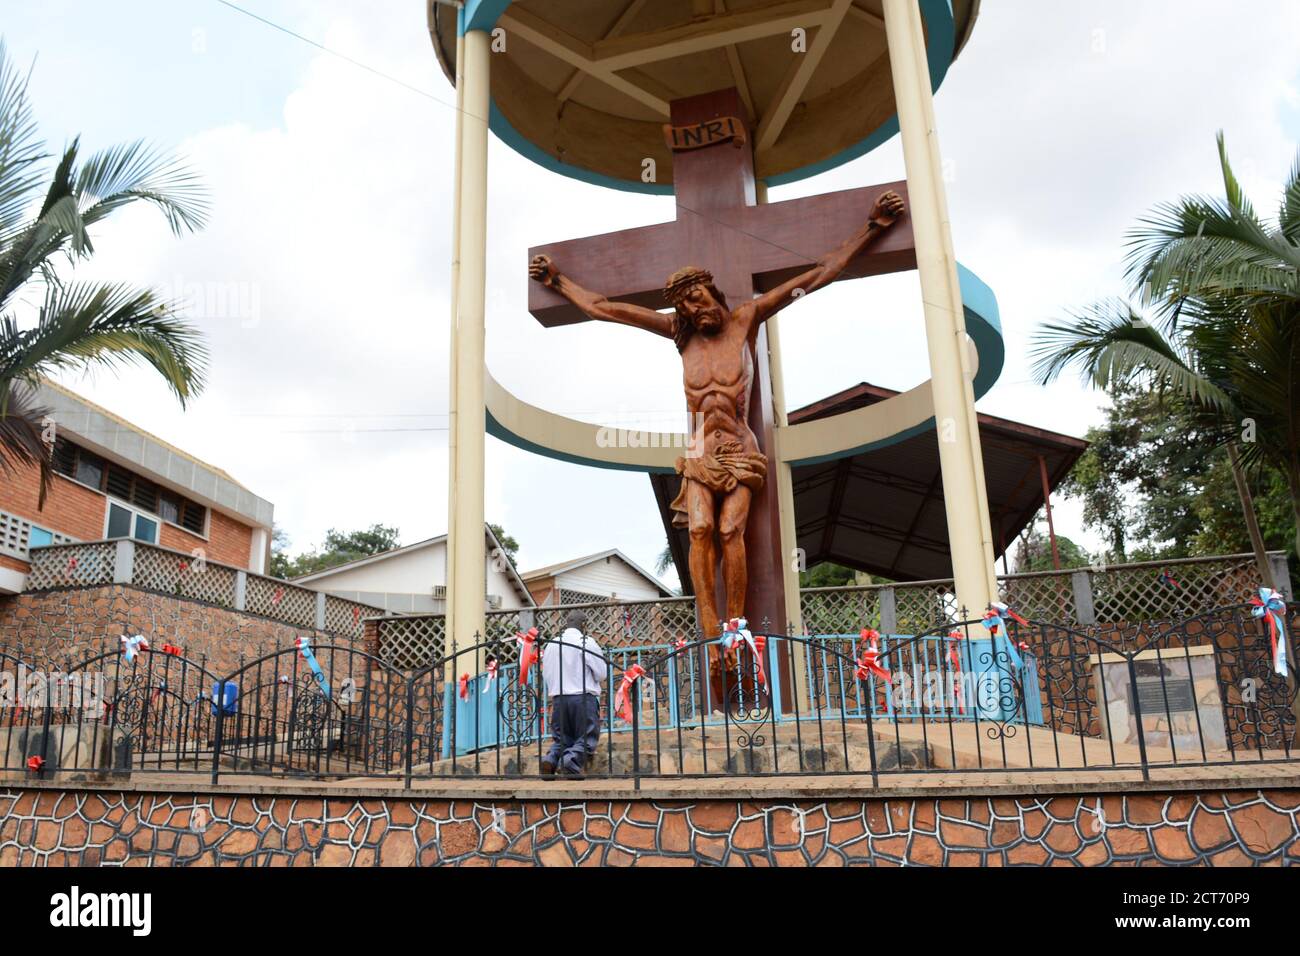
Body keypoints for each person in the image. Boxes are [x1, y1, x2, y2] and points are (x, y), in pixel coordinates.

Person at [540, 610, 607, 776]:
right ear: (583, 625)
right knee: (587, 736)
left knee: (562, 738)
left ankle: (551, 759)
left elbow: (546, 673)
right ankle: (570, 761)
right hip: (582, 697)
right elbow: (601, 673)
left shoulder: (552, 644)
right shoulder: (586, 642)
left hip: (558, 698)